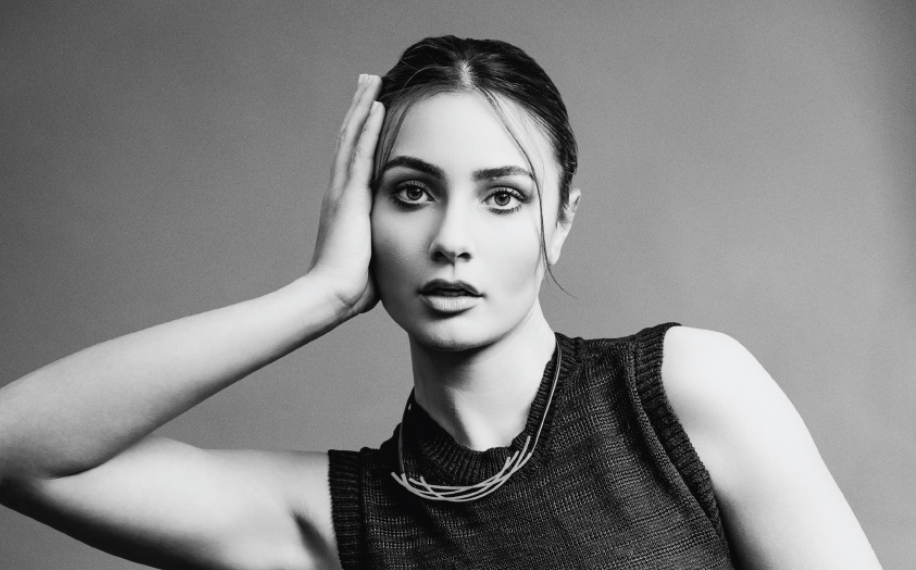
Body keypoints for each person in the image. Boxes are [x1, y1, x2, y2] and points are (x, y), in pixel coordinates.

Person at [0, 35, 882, 570]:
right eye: (412, 192)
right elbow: (17, 450)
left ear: (560, 221)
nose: (451, 237)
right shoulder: (339, 521)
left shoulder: (680, 391)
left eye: (502, 197)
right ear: (364, 214)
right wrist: (317, 297)